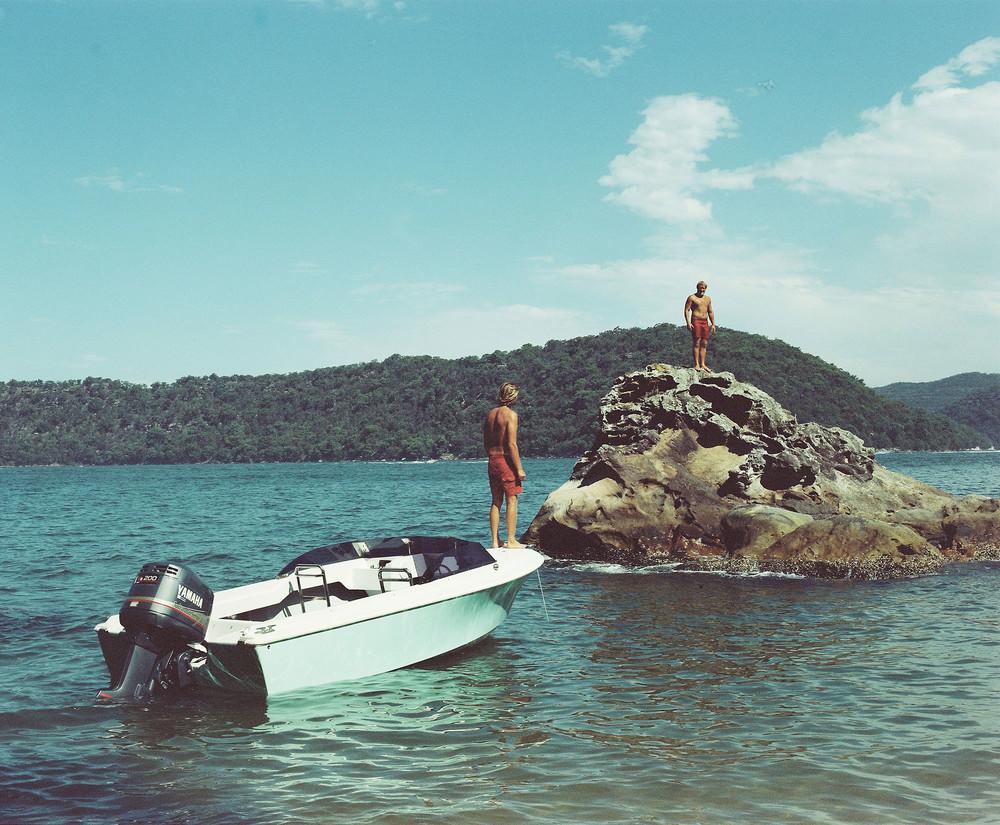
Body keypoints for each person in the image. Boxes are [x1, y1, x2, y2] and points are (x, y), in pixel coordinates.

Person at [483, 382, 527, 549]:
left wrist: (492, 456)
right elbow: (512, 445)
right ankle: (511, 540)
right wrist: (519, 468)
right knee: (512, 499)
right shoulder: (511, 415)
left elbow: (486, 442)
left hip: (492, 460)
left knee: (496, 501)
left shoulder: (490, 415)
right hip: (505, 461)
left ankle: (495, 541)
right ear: (513, 396)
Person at [684, 280, 716, 372]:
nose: (702, 290)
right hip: (696, 320)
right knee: (697, 342)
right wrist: (688, 322)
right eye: (701, 288)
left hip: (705, 322)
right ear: (697, 288)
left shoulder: (708, 299)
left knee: (704, 343)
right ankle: (696, 364)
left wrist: (713, 324)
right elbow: (687, 310)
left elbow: (710, 311)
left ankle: (703, 364)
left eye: (704, 288)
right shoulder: (692, 298)